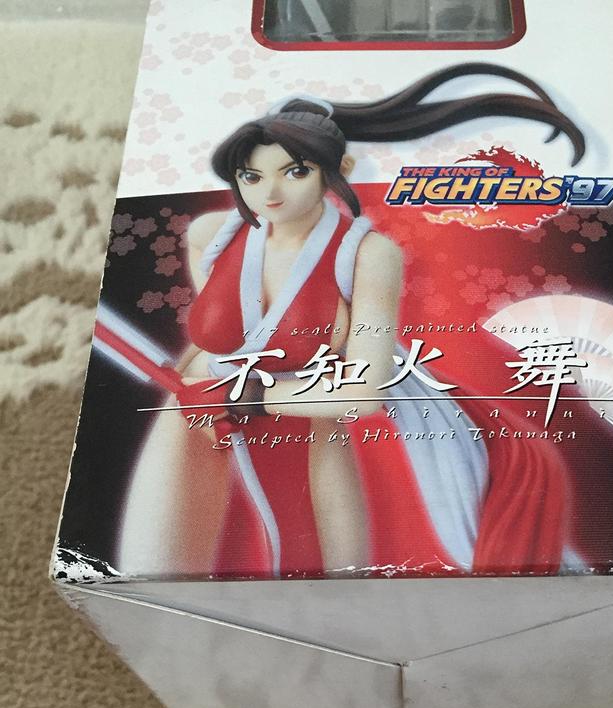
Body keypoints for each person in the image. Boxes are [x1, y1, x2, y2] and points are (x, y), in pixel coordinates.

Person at [117, 64, 582, 578]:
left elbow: (365, 391)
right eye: (251, 176)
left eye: (295, 172)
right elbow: (222, 339)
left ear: (337, 168)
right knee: (152, 579)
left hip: (308, 429)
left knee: (324, 587)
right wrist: (203, 381)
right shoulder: (214, 236)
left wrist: (249, 397)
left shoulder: (365, 255)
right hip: (195, 417)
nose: (271, 193)